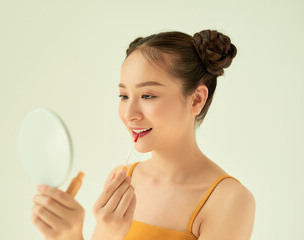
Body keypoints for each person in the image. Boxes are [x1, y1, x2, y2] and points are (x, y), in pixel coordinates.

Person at [92, 29, 256, 240]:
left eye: (148, 95)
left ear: (196, 99)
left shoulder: (230, 200)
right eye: (124, 96)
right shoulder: (122, 178)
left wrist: (111, 234)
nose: (129, 114)